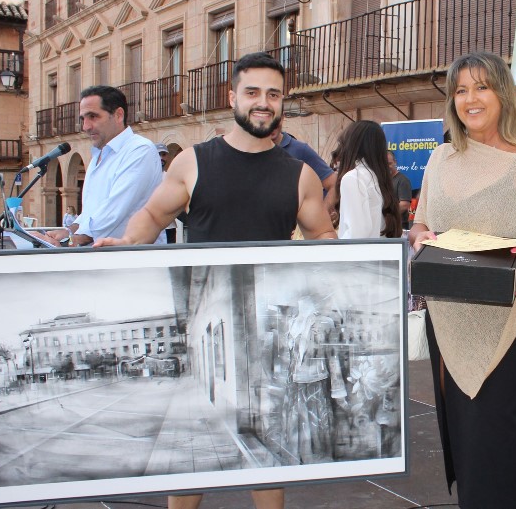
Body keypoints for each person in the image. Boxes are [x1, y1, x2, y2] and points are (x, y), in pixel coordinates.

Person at [95, 52, 337, 509]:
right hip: (202, 322)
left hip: (267, 327)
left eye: (273, 94)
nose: (263, 103)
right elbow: (152, 214)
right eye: (252, 92)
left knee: (266, 446)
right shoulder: (193, 162)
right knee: (194, 448)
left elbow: (321, 234)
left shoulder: (300, 175)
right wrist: (124, 243)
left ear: (282, 102)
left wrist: (331, 262)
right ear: (232, 97)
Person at [408, 52, 516, 509]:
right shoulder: (440, 159)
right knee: (465, 434)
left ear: (502, 94)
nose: (470, 99)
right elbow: (422, 222)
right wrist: (419, 234)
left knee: (498, 436)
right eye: (460, 90)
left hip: (508, 322)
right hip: (451, 316)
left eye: (481, 87)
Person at [49, 85, 164, 247]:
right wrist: (67, 232)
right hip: (103, 260)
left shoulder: (140, 150)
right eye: (83, 118)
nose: (86, 127)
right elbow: (91, 213)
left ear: (118, 115)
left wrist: (69, 241)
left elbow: (113, 212)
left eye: (93, 116)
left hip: (132, 263)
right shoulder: (99, 154)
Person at [334, 121, 401, 239]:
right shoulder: (378, 177)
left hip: (361, 255)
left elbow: (356, 234)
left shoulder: (353, 178)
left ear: (351, 144)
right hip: (381, 254)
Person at [271, 118, 337, 213]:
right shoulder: (250, 150)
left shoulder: (300, 150)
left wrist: (322, 215)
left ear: (282, 117)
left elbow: (334, 184)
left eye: (275, 117)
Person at [388, 151, 413, 232]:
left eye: (389, 163)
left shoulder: (403, 180)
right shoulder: (381, 180)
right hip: (385, 226)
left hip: (399, 226)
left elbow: (404, 205)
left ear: (395, 162)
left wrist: (386, 215)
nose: (386, 166)